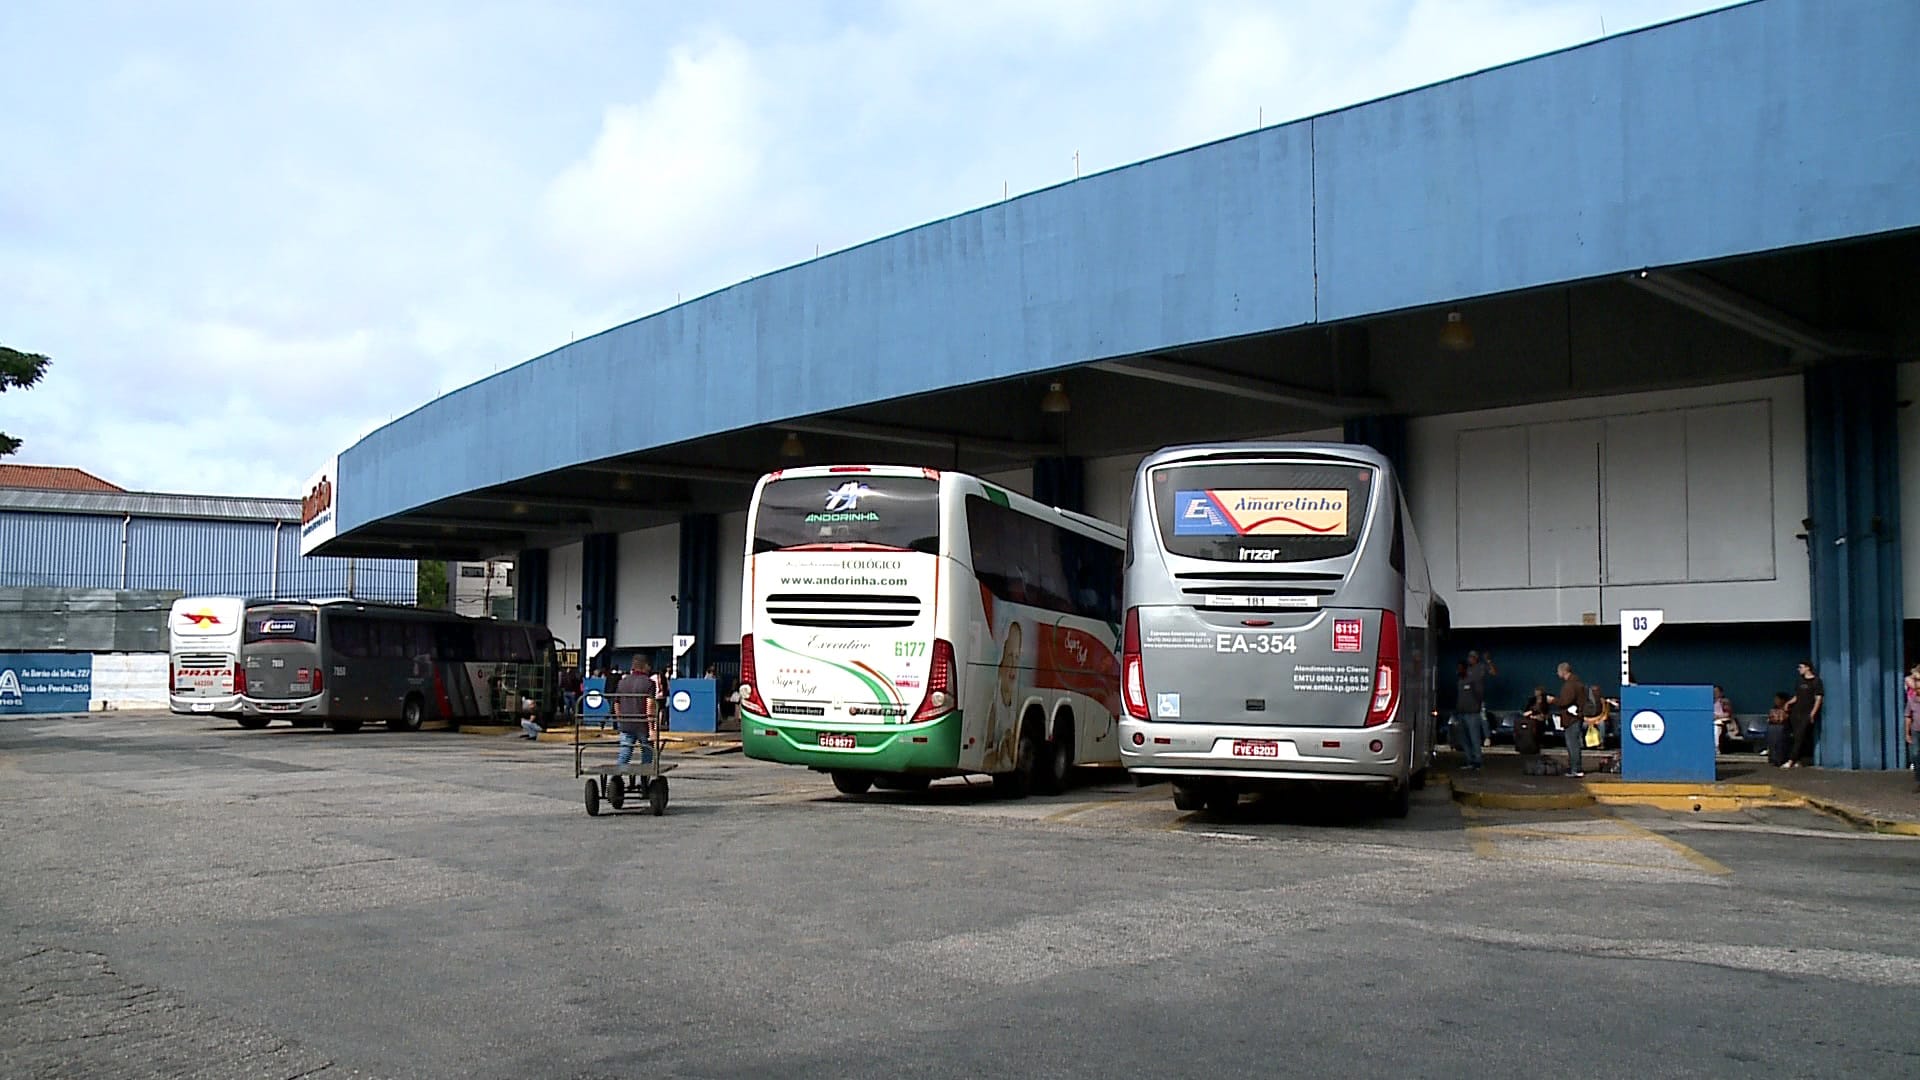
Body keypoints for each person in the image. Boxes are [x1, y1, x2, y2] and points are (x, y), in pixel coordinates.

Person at [1454, 651, 1497, 770]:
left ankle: (1478, 760)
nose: (1470, 659)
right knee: (1465, 738)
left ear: (1477, 659)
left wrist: (1488, 661)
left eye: (1473, 657)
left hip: (1474, 708)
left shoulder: (1480, 669)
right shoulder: (1463, 676)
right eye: (1469, 657)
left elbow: (1493, 672)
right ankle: (1470, 760)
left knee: (1475, 735)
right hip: (1462, 710)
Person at [615, 658, 656, 767]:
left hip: (626, 723)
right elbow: (650, 705)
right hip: (642, 724)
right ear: (644, 666)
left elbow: (616, 703)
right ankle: (644, 777)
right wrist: (652, 727)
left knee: (625, 753)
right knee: (647, 751)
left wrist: (620, 720)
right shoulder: (649, 683)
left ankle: (617, 776)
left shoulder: (622, 682)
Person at [1551, 662, 1589, 778]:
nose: (1557, 674)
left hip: (1571, 719)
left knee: (1572, 744)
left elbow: (1564, 701)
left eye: (1558, 671)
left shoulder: (1570, 685)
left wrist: (1553, 700)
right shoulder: (1579, 683)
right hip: (1577, 717)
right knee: (1575, 744)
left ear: (1563, 671)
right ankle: (1575, 768)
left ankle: (1575, 769)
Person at [1783, 661, 1823, 768]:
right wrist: (1788, 703)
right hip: (1796, 712)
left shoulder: (1816, 681)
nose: (1799, 669)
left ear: (1807, 668)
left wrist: (1812, 714)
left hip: (1807, 713)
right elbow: (1797, 696)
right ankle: (1799, 759)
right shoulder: (1799, 681)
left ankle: (1791, 760)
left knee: (1801, 736)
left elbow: (1818, 699)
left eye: (1801, 667)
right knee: (1796, 736)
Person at [1765, 692, 1792, 768]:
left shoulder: (1788, 708)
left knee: (1780, 743)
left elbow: (1784, 719)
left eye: (1778, 699)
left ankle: (1781, 759)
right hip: (1773, 728)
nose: (1776, 701)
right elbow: (1770, 718)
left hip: (1783, 729)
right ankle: (1773, 758)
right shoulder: (1774, 708)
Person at [1904, 664, 1920, 789]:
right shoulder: (1912, 698)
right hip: (1916, 729)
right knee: (1915, 754)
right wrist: (1907, 732)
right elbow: (1908, 716)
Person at [1712, 685, 1735, 751]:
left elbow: (1728, 714)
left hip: (1722, 722)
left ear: (1721, 693)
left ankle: (1716, 747)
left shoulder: (1724, 702)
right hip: (1710, 721)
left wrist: (1717, 716)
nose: (1715, 693)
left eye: (1717, 692)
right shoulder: (1709, 702)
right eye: (1714, 692)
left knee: (1716, 728)